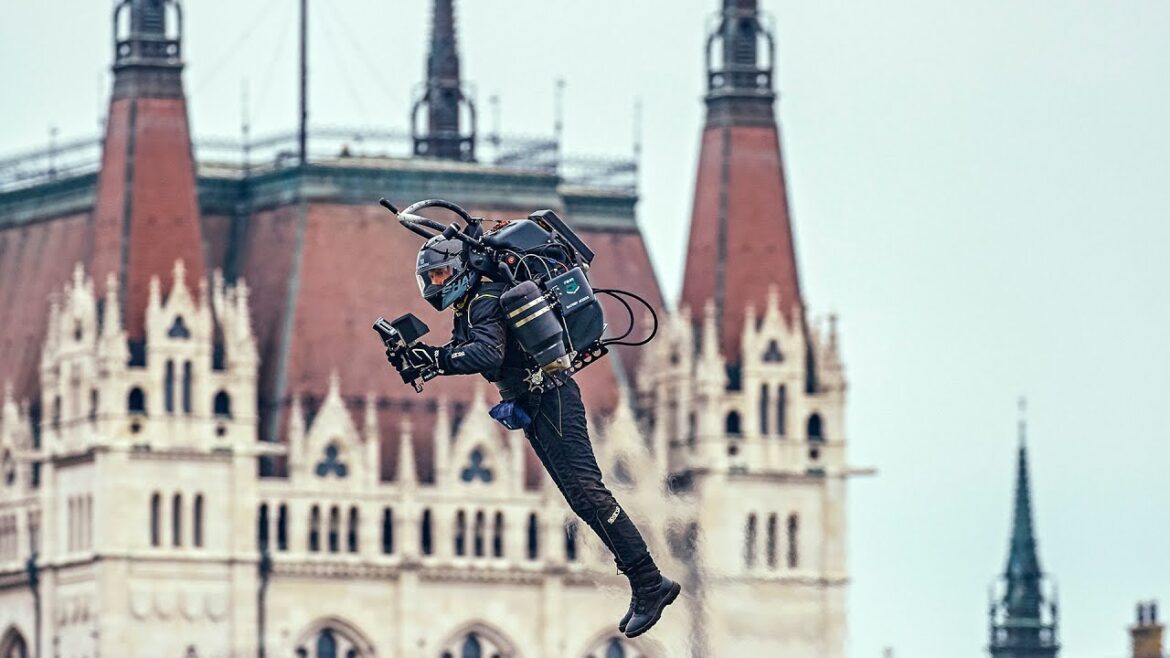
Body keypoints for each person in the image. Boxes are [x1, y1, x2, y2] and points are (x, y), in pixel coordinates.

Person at [388, 236, 681, 639]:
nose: (435, 285)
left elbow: (486, 354)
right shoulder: (473, 302)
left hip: (550, 396)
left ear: (459, 268)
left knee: (588, 493)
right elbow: (475, 349)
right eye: (430, 277)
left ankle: (649, 582)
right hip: (535, 398)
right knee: (580, 497)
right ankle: (645, 582)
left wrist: (437, 359)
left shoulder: (485, 298)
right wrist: (428, 359)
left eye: (439, 274)